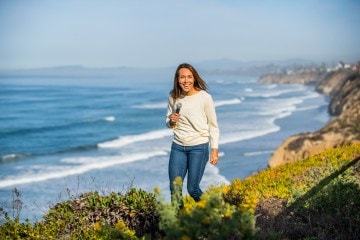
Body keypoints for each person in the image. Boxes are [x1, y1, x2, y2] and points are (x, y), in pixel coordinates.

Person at [166, 63, 220, 202]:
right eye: (182, 77)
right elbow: (169, 123)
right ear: (177, 79)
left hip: (198, 147)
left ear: (194, 78)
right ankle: (179, 221)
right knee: (175, 189)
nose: (186, 80)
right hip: (178, 147)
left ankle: (215, 211)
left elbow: (213, 126)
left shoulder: (204, 97)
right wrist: (171, 121)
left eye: (189, 77)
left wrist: (214, 150)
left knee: (193, 189)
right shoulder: (173, 96)